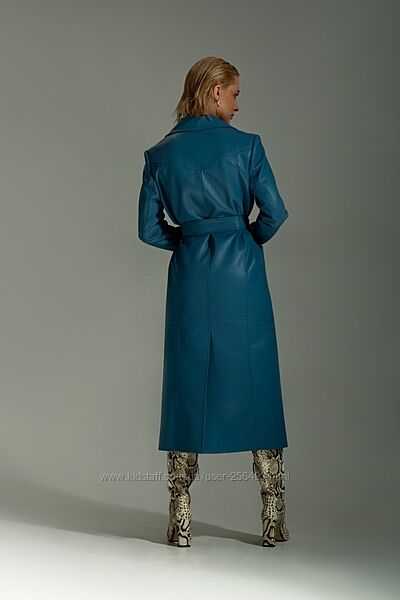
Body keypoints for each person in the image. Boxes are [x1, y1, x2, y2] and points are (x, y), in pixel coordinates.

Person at [138, 56, 290, 548]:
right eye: (235, 93)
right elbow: (275, 212)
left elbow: (147, 229)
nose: (238, 105)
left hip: (189, 275)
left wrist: (188, 241)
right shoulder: (248, 146)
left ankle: (179, 520)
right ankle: (273, 518)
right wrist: (243, 239)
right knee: (256, 379)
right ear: (215, 91)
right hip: (240, 272)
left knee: (187, 382)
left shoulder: (159, 155)